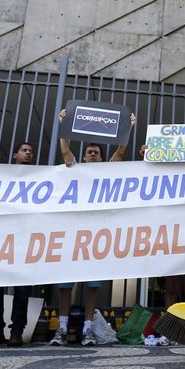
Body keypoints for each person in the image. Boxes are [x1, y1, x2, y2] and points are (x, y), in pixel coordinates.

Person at [49, 110, 135, 347]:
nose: (93, 155)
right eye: (90, 152)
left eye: (96, 153)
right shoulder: (75, 168)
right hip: (73, 236)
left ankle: (87, 329)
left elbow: (120, 153)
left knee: (91, 286)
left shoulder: (107, 170)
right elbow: (65, 151)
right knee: (65, 284)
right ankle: (63, 328)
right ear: (85, 157)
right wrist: (63, 124)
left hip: (96, 237)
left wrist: (128, 128)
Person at [0, 142, 36, 348]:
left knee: (22, 289)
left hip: (25, 239)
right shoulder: (1, 177)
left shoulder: (39, 178)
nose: (28, 153)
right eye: (24, 150)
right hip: (0, 238)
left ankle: (16, 331)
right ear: (15, 155)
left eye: (30, 152)